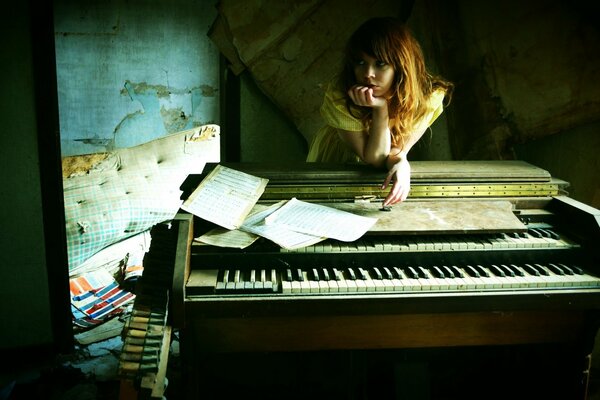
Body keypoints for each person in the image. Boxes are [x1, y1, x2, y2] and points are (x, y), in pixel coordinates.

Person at [306, 17, 453, 206]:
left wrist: (402, 163)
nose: (368, 73)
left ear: (400, 66)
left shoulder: (427, 98)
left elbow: (395, 151)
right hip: (339, 157)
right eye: (360, 62)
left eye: (380, 64)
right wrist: (380, 109)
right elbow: (374, 159)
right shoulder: (340, 95)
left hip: (383, 159)